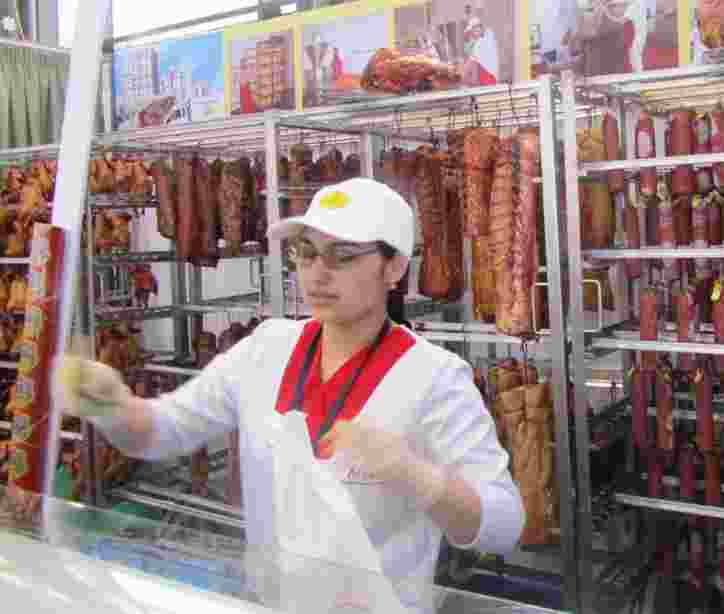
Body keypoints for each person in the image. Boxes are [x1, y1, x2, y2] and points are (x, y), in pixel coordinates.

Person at [55, 178, 525, 609]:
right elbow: (163, 431)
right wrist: (112, 406)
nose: (317, 274)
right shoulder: (266, 348)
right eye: (305, 252)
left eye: (343, 256)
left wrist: (419, 476)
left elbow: (505, 524)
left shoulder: (435, 378)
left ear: (395, 267)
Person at [461, 17, 498, 86]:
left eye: (471, 32)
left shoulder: (483, 42)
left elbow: (468, 73)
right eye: (470, 33)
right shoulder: (481, 41)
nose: (471, 35)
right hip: (488, 82)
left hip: (486, 82)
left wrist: (463, 78)